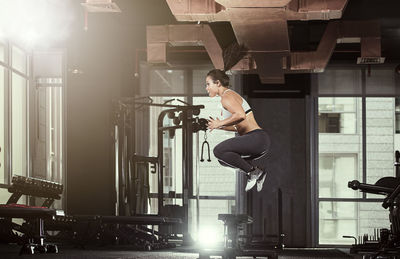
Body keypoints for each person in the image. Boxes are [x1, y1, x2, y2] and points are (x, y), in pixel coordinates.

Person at [205, 44, 271, 192]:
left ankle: (254, 172)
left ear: (218, 83)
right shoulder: (229, 97)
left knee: (218, 151)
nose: (207, 88)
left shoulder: (226, 97)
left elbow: (240, 115)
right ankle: (255, 172)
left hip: (256, 139)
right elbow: (238, 124)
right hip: (257, 142)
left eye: (208, 84)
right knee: (224, 160)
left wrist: (219, 123)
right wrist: (219, 126)